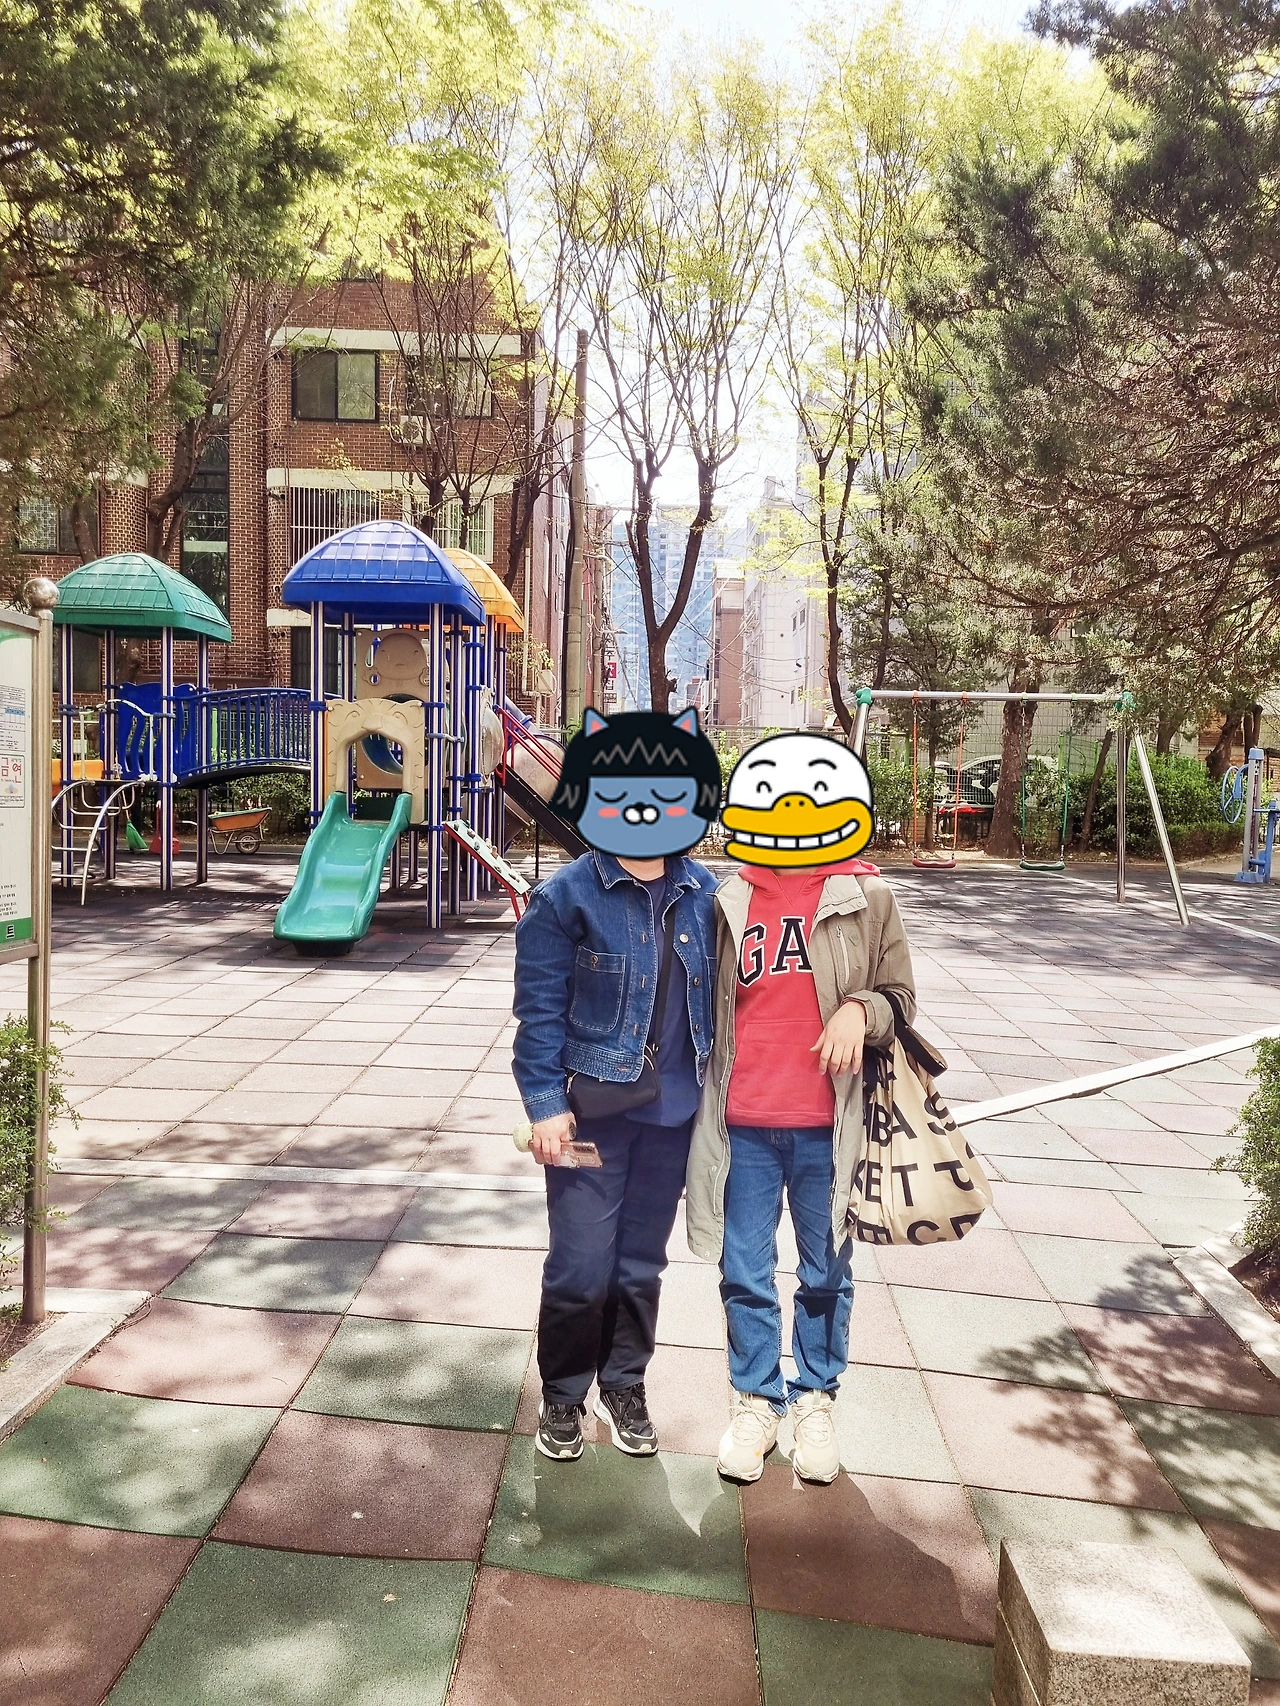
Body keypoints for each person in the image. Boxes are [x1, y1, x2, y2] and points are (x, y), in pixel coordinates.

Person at [685, 732, 917, 1484]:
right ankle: (756, 1401)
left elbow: (901, 998)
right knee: (744, 1270)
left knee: (825, 1271)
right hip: (744, 1125)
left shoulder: (867, 897)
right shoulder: (726, 899)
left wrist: (860, 1009)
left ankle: (815, 1396)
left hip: (829, 1127)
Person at [512, 706, 721, 1462]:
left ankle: (624, 1382)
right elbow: (538, 1013)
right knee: (580, 1263)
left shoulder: (706, 895)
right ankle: (564, 1393)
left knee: (641, 1263)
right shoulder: (565, 897)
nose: (643, 808)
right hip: (591, 1113)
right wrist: (545, 1105)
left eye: (665, 792)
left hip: (675, 1113)